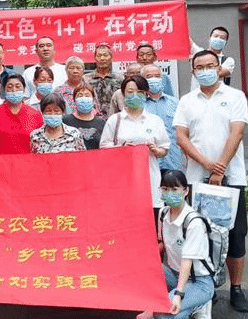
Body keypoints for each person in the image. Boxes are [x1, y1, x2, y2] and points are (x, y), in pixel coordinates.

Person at [174, 49, 248, 313]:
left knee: (235, 233)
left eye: (210, 66)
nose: (205, 71)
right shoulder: (187, 101)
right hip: (197, 179)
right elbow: (181, 137)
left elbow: (236, 133)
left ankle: (236, 288)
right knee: (201, 233)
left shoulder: (235, 96)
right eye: (199, 67)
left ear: (219, 68)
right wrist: (207, 164)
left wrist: (220, 168)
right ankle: (206, 287)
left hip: (231, 177)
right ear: (193, 71)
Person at [135, 170, 213, 319]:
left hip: (198, 280)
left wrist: (178, 294)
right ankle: (180, 302)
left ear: (185, 191)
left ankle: (199, 304)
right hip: (173, 274)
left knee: (163, 317)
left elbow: (187, 261)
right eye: (165, 189)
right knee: (142, 265)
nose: (169, 193)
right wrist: (141, 260)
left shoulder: (193, 222)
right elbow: (163, 243)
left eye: (174, 189)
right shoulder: (163, 213)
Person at [100, 76, 170, 213]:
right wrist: (121, 149)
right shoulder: (115, 120)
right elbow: (103, 148)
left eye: (139, 92)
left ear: (146, 94)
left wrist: (156, 150)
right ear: (123, 94)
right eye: (130, 92)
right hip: (121, 179)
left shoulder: (154, 121)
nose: (135, 95)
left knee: (150, 216)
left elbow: (165, 148)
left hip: (149, 178)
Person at [0, 74, 43, 154]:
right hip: (2, 160)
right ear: (4, 89)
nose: (14, 90)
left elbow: (39, 143)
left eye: (18, 86)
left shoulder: (35, 114)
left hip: (28, 160)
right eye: (10, 87)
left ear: (24, 89)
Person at [142, 64, 183, 172]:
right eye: (149, 76)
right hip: (149, 158)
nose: (154, 79)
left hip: (172, 158)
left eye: (157, 76)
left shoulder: (175, 102)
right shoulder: (139, 104)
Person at [62, 82, 106, 150]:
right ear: (74, 100)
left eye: (87, 95)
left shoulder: (101, 123)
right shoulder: (65, 121)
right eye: (80, 95)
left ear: (93, 99)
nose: (83, 98)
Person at [84, 43, 120, 119]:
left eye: (105, 55)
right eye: (99, 56)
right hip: (92, 118)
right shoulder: (86, 79)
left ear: (111, 58)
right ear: (95, 58)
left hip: (114, 118)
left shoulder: (119, 78)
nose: (102, 58)